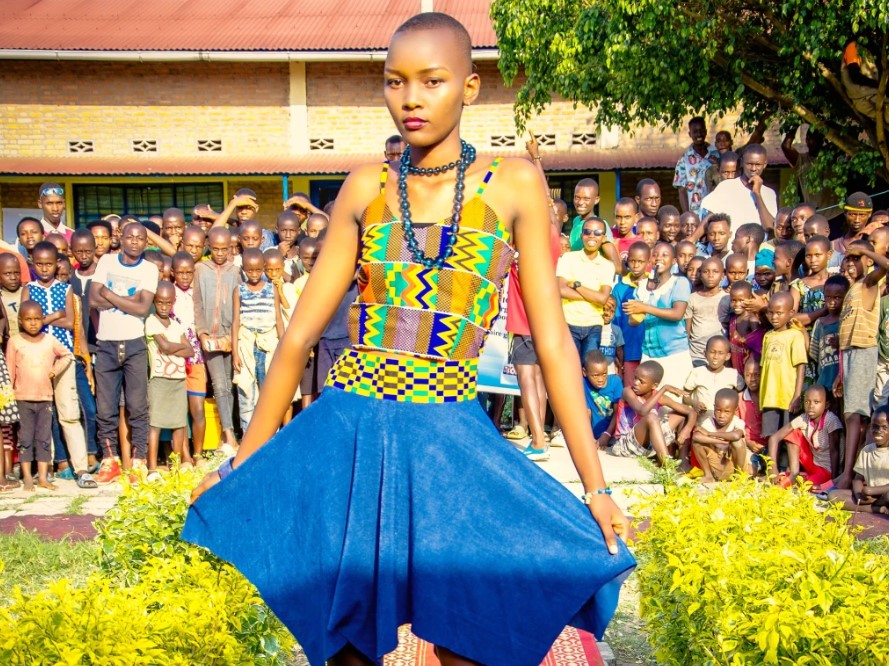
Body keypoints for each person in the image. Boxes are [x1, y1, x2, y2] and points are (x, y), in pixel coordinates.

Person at [183, 13, 634, 666]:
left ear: (471, 89)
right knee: (346, 643)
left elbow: (555, 341)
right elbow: (297, 336)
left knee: (471, 639)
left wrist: (596, 488)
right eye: (395, 82)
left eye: (432, 81)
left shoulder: (512, 184)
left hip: (449, 438)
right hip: (350, 432)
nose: (411, 98)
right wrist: (249, 457)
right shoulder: (366, 188)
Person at [90, 222, 159, 483]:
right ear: (121, 237)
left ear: (145, 242)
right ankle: (110, 460)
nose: (134, 242)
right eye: (129, 237)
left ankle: (139, 461)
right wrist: (128, 301)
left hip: (134, 343)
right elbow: (93, 300)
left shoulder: (149, 268)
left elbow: (143, 309)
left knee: (137, 406)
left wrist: (108, 292)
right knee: (105, 407)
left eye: (140, 238)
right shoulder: (107, 262)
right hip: (106, 343)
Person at [23, 241, 94, 488]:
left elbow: (69, 322)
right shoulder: (28, 288)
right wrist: (53, 318)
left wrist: (45, 318)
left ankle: (82, 468)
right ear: (33, 263)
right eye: (40, 264)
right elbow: (25, 322)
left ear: (57, 264)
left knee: (69, 413)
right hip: (36, 358)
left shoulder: (65, 288)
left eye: (49, 264)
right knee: (43, 414)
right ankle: (47, 467)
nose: (44, 269)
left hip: (63, 356)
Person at [834, 241, 888, 489]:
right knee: (851, 415)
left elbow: (885, 265)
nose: (850, 263)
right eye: (848, 258)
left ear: (867, 260)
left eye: (856, 259)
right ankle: (851, 473)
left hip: (863, 350)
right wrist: (840, 373)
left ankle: (849, 475)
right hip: (849, 354)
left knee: (855, 415)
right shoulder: (852, 289)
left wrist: (864, 252)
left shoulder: (868, 283)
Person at [7, 300, 72, 491]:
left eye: (37, 319)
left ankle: (42, 478)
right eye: (28, 319)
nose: (33, 323)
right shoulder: (15, 341)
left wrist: (54, 370)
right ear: (20, 321)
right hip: (22, 398)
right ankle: (28, 477)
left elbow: (67, 355)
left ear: (43, 319)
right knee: (25, 439)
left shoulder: (49, 341)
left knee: (43, 439)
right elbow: (10, 371)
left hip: (44, 398)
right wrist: (9, 396)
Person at [194, 227, 240, 451]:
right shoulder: (200, 269)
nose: (220, 253)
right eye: (215, 249)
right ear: (208, 247)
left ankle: (226, 432)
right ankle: (229, 435)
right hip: (209, 336)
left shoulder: (235, 271)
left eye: (225, 249)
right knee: (219, 385)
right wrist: (201, 332)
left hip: (231, 336)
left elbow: (238, 306)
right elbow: (197, 304)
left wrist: (236, 336)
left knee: (229, 386)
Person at [624, 243, 694, 384]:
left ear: (673, 261)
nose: (658, 258)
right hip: (649, 354)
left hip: (674, 353)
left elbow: (677, 314)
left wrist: (644, 307)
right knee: (651, 401)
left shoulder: (680, 282)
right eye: (655, 255)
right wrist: (637, 313)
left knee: (674, 399)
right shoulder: (643, 286)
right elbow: (632, 321)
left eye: (664, 255)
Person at [145, 281, 192, 479]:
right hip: (159, 378)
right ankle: (152, 468)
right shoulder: (151, 321)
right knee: (155, 423)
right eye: (160, 302)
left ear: (173, 302)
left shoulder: (176, 325)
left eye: (168, 303)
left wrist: (173, 347)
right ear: (155, 301)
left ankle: (176, 465)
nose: (164, 306)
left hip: (178, 379)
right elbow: (163, 347)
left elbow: (189, 349)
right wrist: (176, 347)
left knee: (179, 423)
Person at [232, 248, 283, 432]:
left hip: (268, 345)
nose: (254, 274)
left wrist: (282, 348)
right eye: (249, 270)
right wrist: (235, 352)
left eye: (258, 270)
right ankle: (248, 439)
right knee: (246, 393)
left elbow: (278, 318)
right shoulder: (239, 290)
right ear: (243, 269)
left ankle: (271, 438)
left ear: (263, 267)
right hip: (246, 345)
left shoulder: (271, 289)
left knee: (268, 394)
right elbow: (236, 321)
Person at [556, 217, 614, 364]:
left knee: (590, 368)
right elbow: (561, 290)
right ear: (582, 235)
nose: (592, 236)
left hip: (594, 325)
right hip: (568, 322)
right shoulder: (568, 258)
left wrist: (577, 286)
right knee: (570, 367)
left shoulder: (608, 265)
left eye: (597, 232)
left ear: (604, 238)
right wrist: (594, 295)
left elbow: (602, 299)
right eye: (587, 232)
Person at [610, 360, 691, 463]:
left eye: (641, 381)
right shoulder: (628, 392)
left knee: (680, 414)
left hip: (648, 445)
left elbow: (690, 412)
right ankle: (667, 464)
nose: (635, 383)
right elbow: (642, 411)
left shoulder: (659, 397)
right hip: (625, 445)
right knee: (651, 417)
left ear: (654, 386)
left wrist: (686, 430)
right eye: (635, 378)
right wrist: (664, 389)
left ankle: (682, 460)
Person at [171, 252, 207, 463]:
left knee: (198, 408)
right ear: (173, 273)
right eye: (180, 272)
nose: (185, 276)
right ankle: (184, 456)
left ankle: (198, 454)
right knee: (178, 411)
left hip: (197, 358)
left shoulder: (197, 293)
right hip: (175, 357)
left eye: (189, 272)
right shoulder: (169, 293)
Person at [768, 385, 842, 488]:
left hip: (826, 470)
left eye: (816, 402)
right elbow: (774, 438)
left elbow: (835, 451)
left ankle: (793, 480)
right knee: (793, 432)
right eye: (807, 402)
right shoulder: (804, 418)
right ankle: (794, 473)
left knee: (806, 486)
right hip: (812, 464)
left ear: (826, 405)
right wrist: (773, 469)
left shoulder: (830, 420)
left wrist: (833, 481)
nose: (811, 406)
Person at [699, 144, 777, 237]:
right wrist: (692, 239)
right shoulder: (726, 186)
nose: (753, 168)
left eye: (758, 164)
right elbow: (709, 217)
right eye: (749, 164)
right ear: (742, 162)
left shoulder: (769, 193)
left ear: (764, 164)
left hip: (757, 249)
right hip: (731, 249)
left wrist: (757, 193)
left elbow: (769, 226)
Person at [760, 292, 807, 440]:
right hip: (769, 397)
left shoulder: (795, 336)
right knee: (770, 435)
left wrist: (797, 396)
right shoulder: (768, 336)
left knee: (789, 437)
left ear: (791, 313)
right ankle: (771, 463)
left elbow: (801, 366)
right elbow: (764, 368)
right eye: (771, 313)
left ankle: (787, 464)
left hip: (788, 397)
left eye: (779, 313)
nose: (774, 317)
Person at [827, 405, 889, 513]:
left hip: (884, 495)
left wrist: (871, 490)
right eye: (875, 426)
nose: (879, 431)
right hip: (868, 497)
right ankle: (874, 509)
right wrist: (859, 494)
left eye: (884, 427)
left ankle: (880, 506)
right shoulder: (867, 450)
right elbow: (857, 478)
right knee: (832, 496)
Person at [611, 241, 648, 386]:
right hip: (629, 348)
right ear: (627, 261)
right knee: (631, 388)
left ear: (648, 261)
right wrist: (618, 347)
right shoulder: (620, 288)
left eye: (640, 261)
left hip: (650, 349)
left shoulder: (654, 284)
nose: (636, 265)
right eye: (632, 261)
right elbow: (615, 319)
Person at [691, 388, 748, 482]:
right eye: (718, 410)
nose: (721, 415)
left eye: (727, 412)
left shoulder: (737, 422)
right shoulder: (709, 421)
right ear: (714, 407)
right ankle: (708, 475)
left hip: (733, 464)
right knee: (697, 443)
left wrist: (709, 433)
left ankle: (739, 477)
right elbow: (696, 437)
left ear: (736, 410)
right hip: (717, 464)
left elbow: (736, 436)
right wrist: (722, 441)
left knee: (738, 443)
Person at [809, 274, 847, 405]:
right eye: (828, 297)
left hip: (843, 381)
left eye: (837, 298)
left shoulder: (847, 320)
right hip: (824, 381)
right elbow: (814, 354)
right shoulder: (820, 323)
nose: (832, 301)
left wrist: (841, 343)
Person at [781, 126, 839, 213]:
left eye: (815, 138)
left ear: (822, 140)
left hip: (836, 214)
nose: (810, 142)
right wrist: (796, 123)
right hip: (814, 214)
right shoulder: (802, 161)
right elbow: (786, 146)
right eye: (808, 138)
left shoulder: (833, 158)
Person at [683, 335, 743, 416]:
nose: (715, 357)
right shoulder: (697, 372)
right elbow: (685, 395)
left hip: (724, 419)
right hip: (702, 418)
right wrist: (694, 403)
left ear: (727, 356)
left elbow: (741, 395)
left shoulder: (733, 375)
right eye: (712, 352)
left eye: (720, 353)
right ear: (705, 353)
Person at [685, 258, 730, 366]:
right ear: (700, 274)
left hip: (720, 356)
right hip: (696, 355)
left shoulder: (727, 299)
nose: (710, 275)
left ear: (723, 275)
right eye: (705, 271)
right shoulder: (692, 298)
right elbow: (688, 330)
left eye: (715, 272)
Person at [673, 116, 720, 216]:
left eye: (701, 131)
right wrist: (687, 215)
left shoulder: (717, 155)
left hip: (715, 211)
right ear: (690, 134)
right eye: (695, 131)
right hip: (695, 214)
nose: (699, 134)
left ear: (706, 132)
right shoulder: (683, 160)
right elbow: (682, 191)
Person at [582, 350, 623, 450]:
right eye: (595, 375)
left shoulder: (615, 382)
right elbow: (586, 412)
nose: (600, 379)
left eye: (604, 374)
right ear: (584, 372)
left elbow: (618, 412)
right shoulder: (584, 383)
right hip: (593, 433)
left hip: (613, 434)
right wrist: (589, 437)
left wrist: (607, 434)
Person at [737, 356, 766, 474]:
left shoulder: (769, 398)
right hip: (749, 446)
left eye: (757, 374)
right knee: (750, 472)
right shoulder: (739, 399)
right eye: (748, 375)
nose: (752, 379)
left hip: (771, 447)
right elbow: (736, 427)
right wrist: (749, 442)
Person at [728, 281, 763, 372]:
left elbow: (758, 348)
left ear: (750, 298)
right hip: (736, 368)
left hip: (750, 370)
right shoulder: (733, 319)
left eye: (741, 300)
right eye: (733, 300)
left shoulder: (752, 320)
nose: (736, 304)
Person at [568, 178, 600, 250]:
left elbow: (611, 251)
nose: (580, 202)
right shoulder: (576, 220)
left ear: (596, 200)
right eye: (577, 197)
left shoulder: (599, 225)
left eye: (586, 199)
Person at [599, 296, 624, 376]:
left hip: (611, 371)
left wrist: (620, 367)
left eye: (611, 311)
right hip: (595, 370)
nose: (607, 313)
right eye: (604, 309)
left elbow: (619, 350)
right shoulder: (594, 328)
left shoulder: (616, 330)